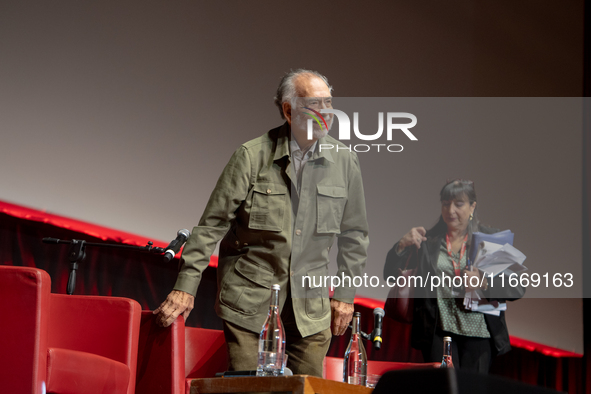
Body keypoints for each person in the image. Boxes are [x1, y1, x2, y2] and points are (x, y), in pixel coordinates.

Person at [154, 69, 369, 377]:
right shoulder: (251, 156)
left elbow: (355, 236)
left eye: (329, 103)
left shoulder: (345, 161)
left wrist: (346, 297)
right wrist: (185, 287)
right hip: (250, 299)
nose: (327, 113)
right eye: (315, 104)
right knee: (250, 388)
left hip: (310, 306)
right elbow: (210, 226)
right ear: (288, 110)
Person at [383, 179, 524, 373]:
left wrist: (484, 282)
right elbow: (390, 275)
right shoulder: (428, 240)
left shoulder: (491, 241)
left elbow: (517, 286)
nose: (450, 210)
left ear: (472, 206)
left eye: (458, 204)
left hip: (479, 334)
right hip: (437, 333)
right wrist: (401, 245)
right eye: (446, 203)